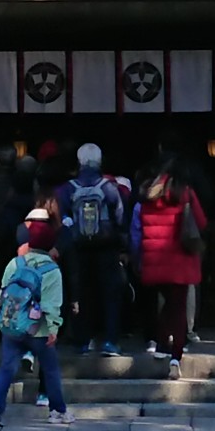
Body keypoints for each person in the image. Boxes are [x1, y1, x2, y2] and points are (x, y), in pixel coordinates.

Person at [0, 213, 70, 427]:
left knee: (6, 367)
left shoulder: (16, 262)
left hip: (12, 325)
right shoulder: (52, 270)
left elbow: (4, 291)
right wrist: (53, 329)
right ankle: (57, 411)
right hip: (38, 330)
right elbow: (52, 305)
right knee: (50, 369)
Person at [131, 159, 207, 379]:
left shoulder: (148, 195)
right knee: (179, 308)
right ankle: (175, 355)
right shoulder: (185, 193)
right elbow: (200, 222)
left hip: (155, 259)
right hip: (180, 260)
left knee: (166, 305)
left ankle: (162, 343)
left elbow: (142, 225)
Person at [58, 144, 130, 355]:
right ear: (100, 162)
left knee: (81, 293)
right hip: (106, 246)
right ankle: (110, 340)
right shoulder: (108, 187)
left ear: (79, 162)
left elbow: (63, 219)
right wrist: (123, 246)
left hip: (78, 248)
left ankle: (84, 340)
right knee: (110, 293)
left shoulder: (67, 188)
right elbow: (120, 218)